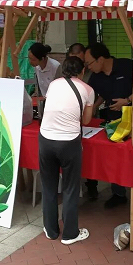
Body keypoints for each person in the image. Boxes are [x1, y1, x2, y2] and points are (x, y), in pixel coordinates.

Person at [85, 43, 133, 210]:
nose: (88, 67)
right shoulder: (96, 77)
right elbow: (100, 94)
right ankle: (118, 194)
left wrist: (128, 100)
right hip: (114, 121)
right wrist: (94, 106)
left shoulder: (126, 66)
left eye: (89, 63)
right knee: (115, 157)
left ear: (100, 59)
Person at [39, 56, 93, 245]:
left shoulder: (53, 85)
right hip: (69, 142)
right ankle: (70, 234)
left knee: (48, 186)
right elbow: (86, 120)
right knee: (70, 188)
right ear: (82, 71)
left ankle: (50, 229)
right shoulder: (88, 90)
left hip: (46, 139)